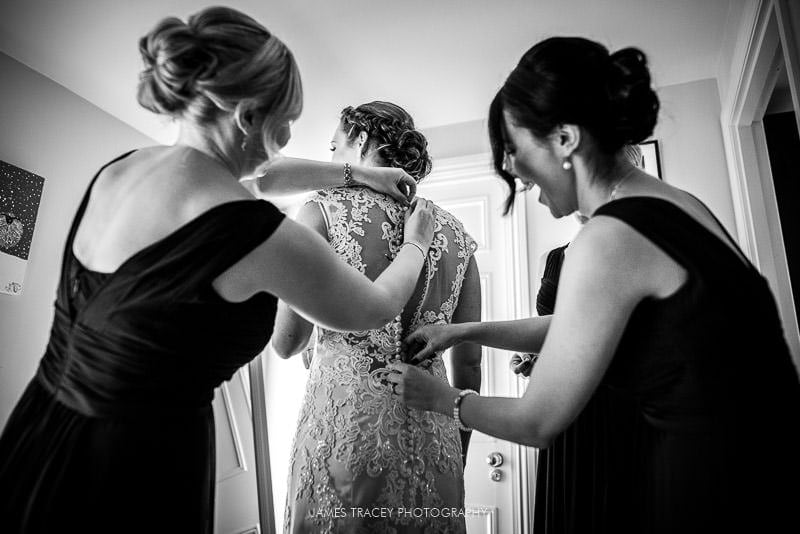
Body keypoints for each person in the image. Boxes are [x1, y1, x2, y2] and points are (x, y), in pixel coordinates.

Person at [0, 8, 437, 534]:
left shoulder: (119, 171)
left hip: (35, 434)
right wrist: (416, 243)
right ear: (248, 117)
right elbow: (373, 308)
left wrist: (357, 172)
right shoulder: (250, 232)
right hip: (134, 470)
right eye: (286, 124)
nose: (284, 140)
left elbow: (262, 174)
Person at [387, 37, 800, 533]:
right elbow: (577, 326)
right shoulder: (676, 205)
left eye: (516, 150)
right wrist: (463, 331)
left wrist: (441, 398)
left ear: (564, 139)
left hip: (702, 485)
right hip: (762, 470)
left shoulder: (608, 238)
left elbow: (539, 422)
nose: (513, 168)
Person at [272, 101, 481, 534]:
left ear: (361, 141)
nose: (330, 159)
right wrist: (455, 444)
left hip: (347, 431)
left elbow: (286, 341)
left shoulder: (323, 211)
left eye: (334, 146)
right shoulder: (458, 236)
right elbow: (470, 363)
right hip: (436, 436)